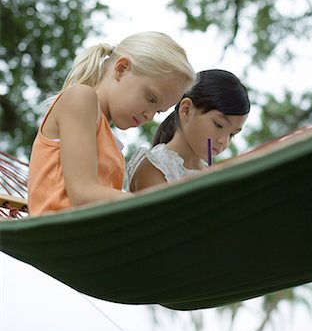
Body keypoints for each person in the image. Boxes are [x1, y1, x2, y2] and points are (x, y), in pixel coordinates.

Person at [27, 31, 196, 216]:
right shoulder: (80, 98)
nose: (149, 116)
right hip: (57, 235)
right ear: (121, 68)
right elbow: (83, 193)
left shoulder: (108, 140)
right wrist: (157, 206)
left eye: (158, 111)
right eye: (151, 98)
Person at [127, 69, 250, 192]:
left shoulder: (214, 177)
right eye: (218, 125)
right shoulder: (154, 166)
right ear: (186, 110)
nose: (224, 140)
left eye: (232, 134)